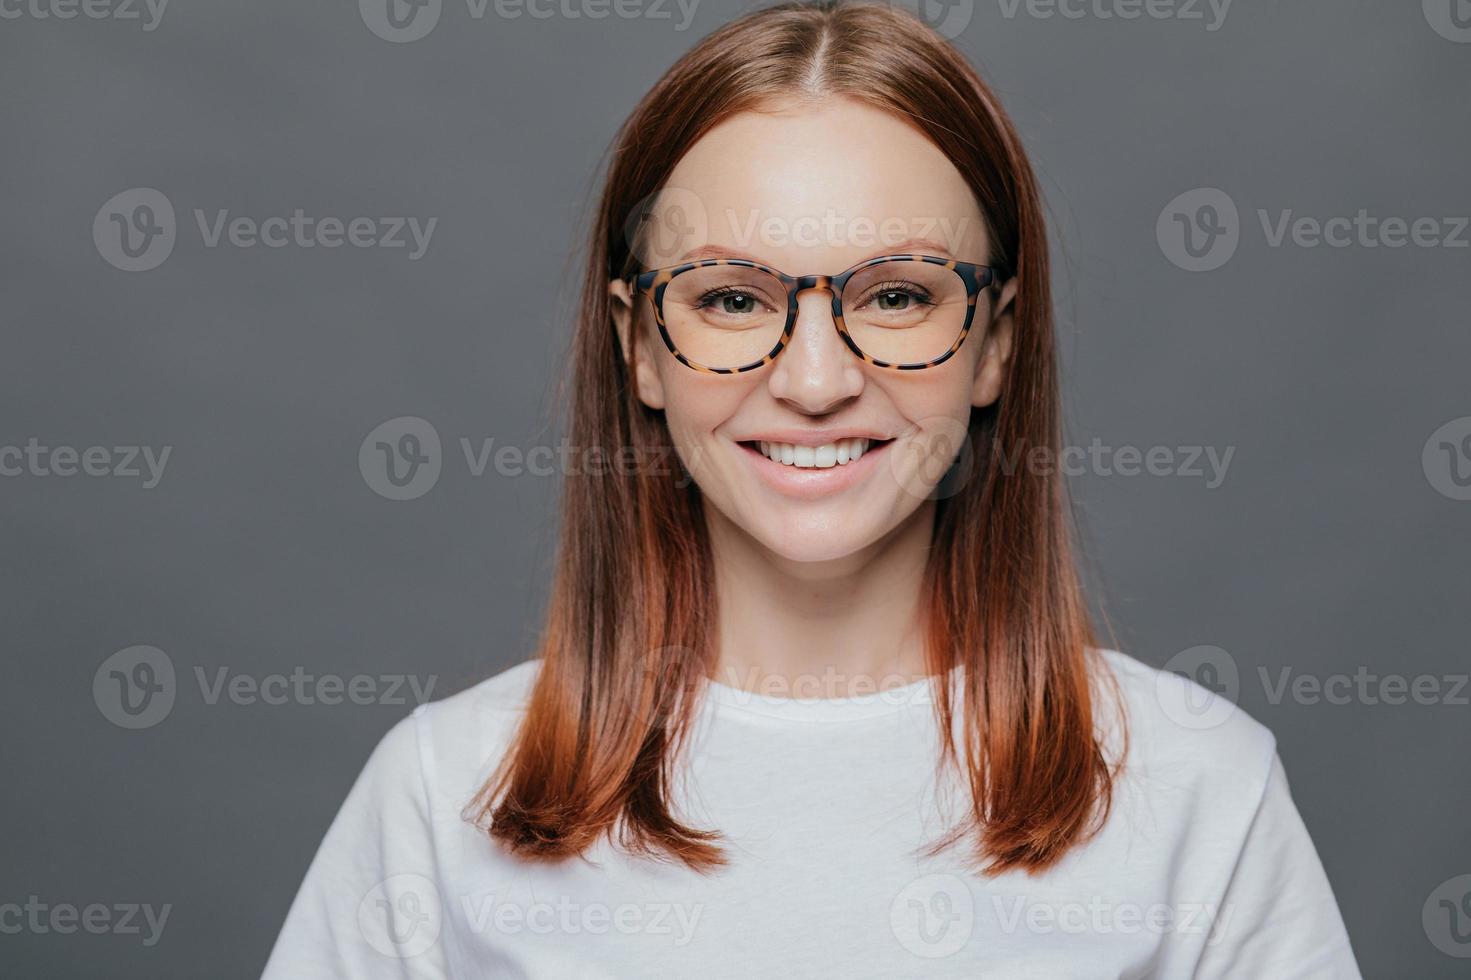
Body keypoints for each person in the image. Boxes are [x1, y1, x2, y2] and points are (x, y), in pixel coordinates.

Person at [263, 2, 1360, 976]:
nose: (818, 381)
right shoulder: (441, 793)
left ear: (995, 345)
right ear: (639, 345)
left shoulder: (1201, 791)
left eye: (897, 295)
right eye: (731, 299)